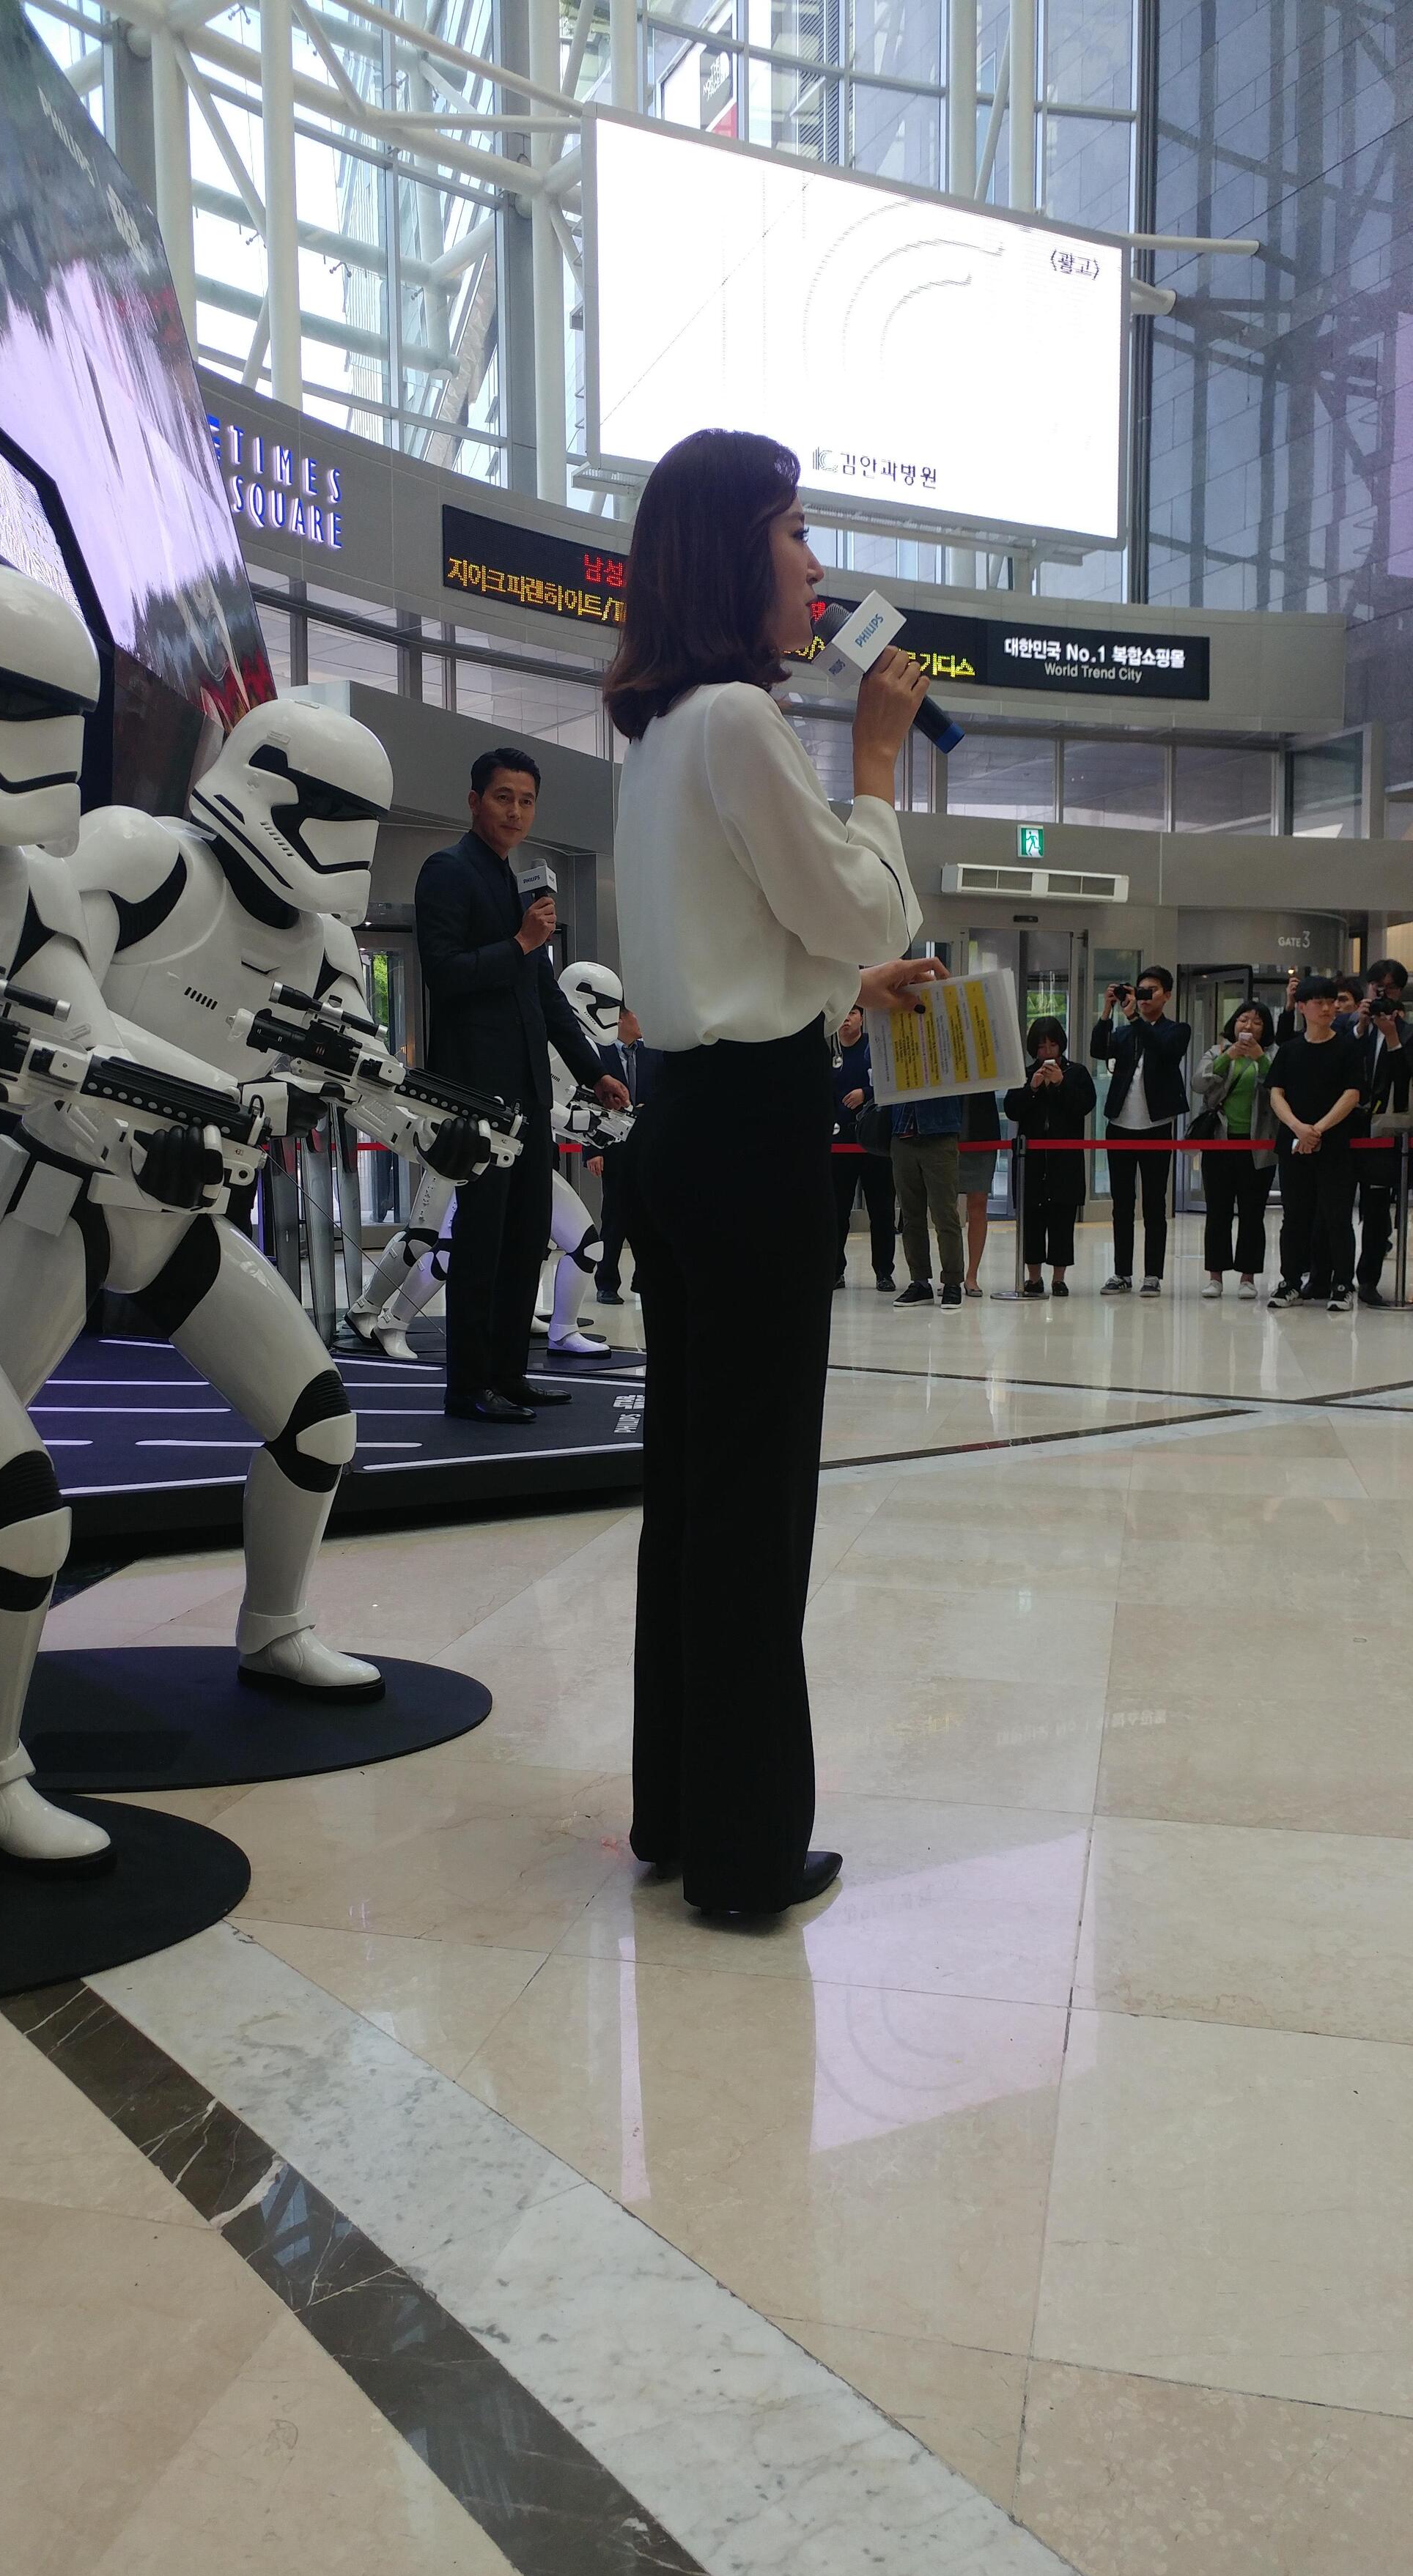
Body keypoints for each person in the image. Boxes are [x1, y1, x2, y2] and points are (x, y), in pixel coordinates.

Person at [605, 426, 937, 1917]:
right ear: (733, 548)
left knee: (694, 1485)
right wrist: (875, 764)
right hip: (751, 1146)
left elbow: (751, 951)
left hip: (685, 1127)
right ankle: (743, 1854)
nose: (815, 562)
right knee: (754, 1498)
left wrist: (846, 990)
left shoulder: (665, 731)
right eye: (796, 529)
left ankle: (680, 1809)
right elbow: (854, 903)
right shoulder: (741, 719)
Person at [416, 748, 630, 1422]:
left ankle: (510, 1374)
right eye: (503, 796)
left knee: (525, 1237)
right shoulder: (446, 871)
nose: (515, 811)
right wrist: (519, 942)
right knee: (481, 1240)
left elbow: (547, 1000)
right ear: (474, 800)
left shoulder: (520, 888)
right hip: (476, 1091)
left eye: (527, 800)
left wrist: (596, 1071)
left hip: (530, 1093)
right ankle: (467, 1385)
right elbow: (443, 972)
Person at [1266, 974, 1364, 1311]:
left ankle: (1342, 1283)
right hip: (1294, 1145)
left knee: (1337, 1216)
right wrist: (1298, 1128)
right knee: (1295, 1216)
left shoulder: (1348, 1047)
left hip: (1334, 1145)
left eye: (1331, 1002)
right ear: (1302, 1007)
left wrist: (1317, 1130)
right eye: (1319, 1003)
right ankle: (1290, 1281)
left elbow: (1352, 1094)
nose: (1327, 1008)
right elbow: (1276, 1094)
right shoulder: (1290, 1049)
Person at [1091, 966, 1191, 1295]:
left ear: (1167, 995)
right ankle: (1121, 1272)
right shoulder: (1124, 1033)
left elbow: (1163, 1050)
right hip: (1120, 1125)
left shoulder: (1177, 1030)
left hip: (1156, 1127)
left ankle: (1153, 1275)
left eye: (1152, 991)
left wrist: (1134, 1018)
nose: (1145, 997)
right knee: (1122, 1203)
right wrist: (1107, 1011)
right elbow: (1098, 1050)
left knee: (1154, 1204)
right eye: (1141, 991)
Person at [1002, 1018, 1095, 1295]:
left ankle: (1059, 1278)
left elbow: (1084, 1106)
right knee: (1032, 1219)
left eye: (1052, 1045)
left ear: (1060, 1045)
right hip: (1030, 1160)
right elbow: (1012, 1109)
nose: (1047, 1052)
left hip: (1064, 1161)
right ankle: (1033, 1278)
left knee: (1062, 1220)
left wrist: (1061, 1084)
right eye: (1042, 1047)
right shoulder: (1025, 1074)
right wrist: (1031, 1089)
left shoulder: (1076, 1073)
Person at [1192, 999, 1276, 1299]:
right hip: (1219, 1142)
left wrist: (1260, 1058)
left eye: (1257, 1022)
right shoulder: (1217, 1051)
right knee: (1218, 1211)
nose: (1248, 1026)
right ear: (1234, 1023)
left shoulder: (1272, 1054)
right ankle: (1215, 1276)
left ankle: (1248, 1277)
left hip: (1258, 1145)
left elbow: (1280, 1085)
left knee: (1253, 1212)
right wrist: (1228, 1056)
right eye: (1243, 1019)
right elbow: (1198, 1084)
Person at [1350, 958, 1411, 1305]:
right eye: (1377, 987)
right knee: (1332, 1207)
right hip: (1345, 1126)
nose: (1382, 994)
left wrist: (1392, 1038)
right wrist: (1360, 1027)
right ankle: (1328, 1276)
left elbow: (1404, 1081)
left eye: (1390, 988)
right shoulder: (1348, 1026)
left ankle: (1368, 1280)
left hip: (1385, 1132)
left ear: (1400, 992)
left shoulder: (1408, 1033)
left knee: (1375, 1211)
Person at [591, 1006, 663, 1303]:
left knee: (650, 1216)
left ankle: (643, 1278)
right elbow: (588, 1103)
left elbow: (662, 1092)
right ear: (621, 1019)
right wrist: (593, 1150)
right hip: (612, 1148)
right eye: (637, 1015)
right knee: (615, 1217)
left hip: (647, 1148)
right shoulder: (599, 1055)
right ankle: (606, 1283)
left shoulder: (653, 1054)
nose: (641, 1021)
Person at [830, 1007, 896, 1292]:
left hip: (874, 1143)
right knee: (837, 1212)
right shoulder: (828, 1053)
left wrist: (866, 1094)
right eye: (842, 1013)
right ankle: (835, 1270)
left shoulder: (875, 1049)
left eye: (853, 1012)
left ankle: (884, 1272)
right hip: (839, 1145)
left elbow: (892, 1082)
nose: (847, 1018)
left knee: (881, 1211)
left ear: (862, 1018)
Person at [891, 1091, 964, 1307]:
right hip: (902, 1134)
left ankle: (952, 1282)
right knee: (910, 1216)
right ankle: (920, 1281)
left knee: (945, 1215)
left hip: (940, 1133)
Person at [958, 1089, 1000, 1297]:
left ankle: (972, 1275)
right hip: (945, 1132)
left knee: (978, 1203)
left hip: (982, 1132)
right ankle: (951, 1274)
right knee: (944, 1208)